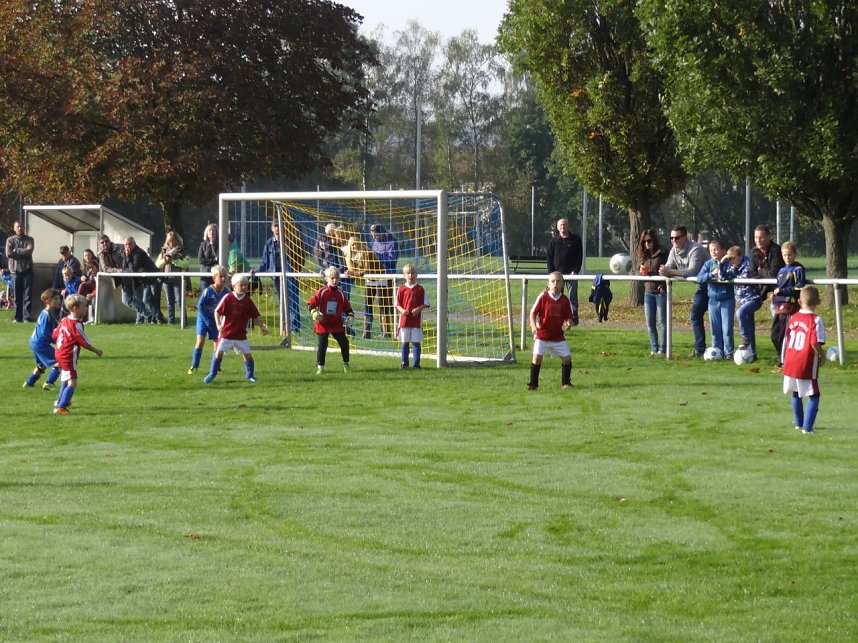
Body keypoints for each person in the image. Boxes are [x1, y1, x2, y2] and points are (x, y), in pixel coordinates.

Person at [203, 274, 268, 384]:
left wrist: (262, 326)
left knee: (247, 355)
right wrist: (218, 324)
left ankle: (250, 376)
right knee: (218, 353)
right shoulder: (228, 297)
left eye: (245, 285)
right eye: (241, 285)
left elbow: (255, 316)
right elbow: (217, 312)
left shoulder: (247, 300)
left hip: (240, 334)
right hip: (227, 333)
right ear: (234, 286)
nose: (244, 287)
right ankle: (212, 374)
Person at [659, 225, 709, 357]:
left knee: (719, 320)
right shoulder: (674, 250)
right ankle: (700, 350)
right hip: (702, 287)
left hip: (714, 286)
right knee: (695, 315)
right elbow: (668, 267)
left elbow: (693, 271)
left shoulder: (696, 249)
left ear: (685, 237)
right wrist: (663, 271)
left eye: (676, 238)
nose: (673, 241)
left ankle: (725, 351)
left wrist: (670, 271)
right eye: (671, 238)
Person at [782, 286, 825, 434]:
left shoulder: (793, 317)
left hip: (790, 359)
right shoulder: (816, 320)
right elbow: (814, 342)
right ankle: (807, 428)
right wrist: (822, 355)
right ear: (818, 302)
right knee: (814, 394)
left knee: (796, 392)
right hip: (805, 361)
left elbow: (786, 338)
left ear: (799, 301)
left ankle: (798, 424)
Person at [51, 294, 103, 414]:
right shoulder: (76, 324)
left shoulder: (64, 320)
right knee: (73, 382)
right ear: (75, 308)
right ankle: (61, 407)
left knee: (65, 378)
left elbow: (54, 334)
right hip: (68, 355)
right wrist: (97, 351)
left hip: (59, 352)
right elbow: (84, 342)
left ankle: (60, 400)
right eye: (84, 306)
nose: (86, 308)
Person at [252, 220, 301, 333]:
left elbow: (300, 258)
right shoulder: (269, 243)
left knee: (293, 301)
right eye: (275, 226)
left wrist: (296, 271)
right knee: (282, 302)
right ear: (272, 228)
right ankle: (284, 326)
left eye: (279, 225)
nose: (277, 228)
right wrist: (256, 270)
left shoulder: (291, 241)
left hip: (291, 276)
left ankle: (294, 328)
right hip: (277, 277)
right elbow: (265, 262)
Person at [527, 272, 574, 390]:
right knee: (537, 358)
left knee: (567, 359)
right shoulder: (543, 297)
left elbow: (568, 315)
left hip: (557, 336)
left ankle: (566, 383)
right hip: (542, 335)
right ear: (548, 283)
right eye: (553, 281)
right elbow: (532, 313)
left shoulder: (565, 300)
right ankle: (533, 384)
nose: (555, 284)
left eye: (558, 281)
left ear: (562, 284)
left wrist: (568, 323)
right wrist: (534, 326)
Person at [307, 266, 354, 375]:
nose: (334, 280)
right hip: (323, 323)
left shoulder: (341, 293)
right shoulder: (322, 292)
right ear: (326, 279)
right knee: (322, 345)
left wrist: (351, 316)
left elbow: (348, 308)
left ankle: (346, 364)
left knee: (344, 342)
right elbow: (311, 304)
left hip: (336, 323)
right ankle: (320, 367)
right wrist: (314, 312)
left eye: (336, 278)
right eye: (332, 278)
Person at [697, 240, 738, 359]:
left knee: (727, 329)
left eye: (716, 249)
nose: (713, 252)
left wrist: (722, 269)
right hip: (713, 301)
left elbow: (733, 274)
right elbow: (699, 278)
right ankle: (717, 352)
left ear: (723, 250)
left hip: (727, 300)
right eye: (711, 250)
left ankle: (729, 353)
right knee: (715, 329)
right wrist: (711, 275)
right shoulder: (709, 264)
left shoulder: (729, 262)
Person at [749, 224, 785, 357]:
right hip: (762, 292)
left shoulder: (776, 251)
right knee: (743, 312)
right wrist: (764, 272)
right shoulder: (754, 251)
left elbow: (774, 274)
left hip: (779, 294)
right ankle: (749, 350)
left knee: (779, 330)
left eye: (761, 237)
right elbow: (751, 273)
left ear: (769, 237)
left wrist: (760, 271)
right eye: (756, 237)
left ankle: (783, 355)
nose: (758, 240)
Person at [189, 265, 230, 374]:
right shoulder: (208, 291)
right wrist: (206, 320)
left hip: (216, 321)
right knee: (200, 342)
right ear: (214, 278)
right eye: (220, 276)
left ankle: (216, 367)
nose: (223, 279)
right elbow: (200, 306)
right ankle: (194, 365)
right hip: (203, 319)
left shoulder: (227, 293)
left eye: (225, 276)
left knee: (217, 344)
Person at [771, 241, 806, 369]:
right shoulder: (781, 270)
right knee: (774, 335)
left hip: (790, 306)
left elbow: (799, 288)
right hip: (779, 306)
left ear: (795, 254)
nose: (787, 257)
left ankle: (784, 362)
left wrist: (782, 291)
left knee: (784, 335)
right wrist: (774, 295)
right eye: (784, 255)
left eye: (789, 255)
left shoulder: (798, 269)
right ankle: (783, 357)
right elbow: (778, 287)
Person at [636, 228, 668, 356]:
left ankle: (663, 349)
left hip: (660, 292)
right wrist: (641, 272)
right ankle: (654, 350)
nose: (647, 244)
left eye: (649, 241)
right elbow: (638, 271)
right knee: (650, 323)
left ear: (654, 240)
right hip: (648, 292)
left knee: (663, 322)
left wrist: (662, 284)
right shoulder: (643, 255)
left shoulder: (663, 252)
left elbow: (668, 269)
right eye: (644, 242)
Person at [23, 288, 63, 391]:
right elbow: (45, 334)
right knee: (61, 360)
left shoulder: (47, 313)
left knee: (42, 365)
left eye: (59, 298)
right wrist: (58, 342)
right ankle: (49, 383)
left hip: (35, 342)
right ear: (47, 301)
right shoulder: (46, 315)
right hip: (40, 344)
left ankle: (29, 383)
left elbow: (56, 328)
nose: (59, 301)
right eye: (55, 299)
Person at [346, 236, 385, 338]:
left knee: (382, 306)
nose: (355, 246)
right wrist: (350, 272)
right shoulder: (351, 256)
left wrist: (354, 273)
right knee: (368, 305)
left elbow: (367, 270)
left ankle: (385, 332)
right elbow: (353, 271)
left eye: (357, 243)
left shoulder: (368, 253)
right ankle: (366, 332)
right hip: (369, 280)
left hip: (381, 279)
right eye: (352, 244)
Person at [546, 218, 583, 325]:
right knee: (556, 297)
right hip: (557, 276)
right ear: (558, 227)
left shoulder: (576, 240)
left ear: (568, 226)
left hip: (571, 275)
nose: (563, 227)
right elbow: (549, 258)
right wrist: (552, 274)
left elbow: (579, 256)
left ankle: (573, 319)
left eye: (564, 225)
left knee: (572, 297)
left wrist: (575, 270)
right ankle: (556, 318)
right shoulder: (553, 242)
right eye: (561, 225)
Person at [123, 236, 165, 324]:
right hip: (146, 281)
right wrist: (127, 258)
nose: (128, 246)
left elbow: (133, 269)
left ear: (134, 243)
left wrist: (128, 258)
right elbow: (124, 268)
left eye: (130, 244)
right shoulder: (126, 254)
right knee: (146, 299)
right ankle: (157, 318)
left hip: (154, 278)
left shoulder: (139, 253)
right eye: (126, 244)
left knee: (152, 300)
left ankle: (158, 318)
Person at [396, 263, 429, 369]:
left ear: (416, 275)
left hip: (416, 321)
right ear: (404, 275)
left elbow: (425, 303)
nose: (410, 275)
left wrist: (418, 309)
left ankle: (416, 364)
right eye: (408, 273)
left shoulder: (420, 289)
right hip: (404, 321)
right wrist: (402, 311)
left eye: (413, 273)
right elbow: (397, 304)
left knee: (416, 342)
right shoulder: (401, 289)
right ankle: (404, 363)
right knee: (404, 342)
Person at [370, 223, 399, 338]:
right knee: (381, 303)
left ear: (382, 233)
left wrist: (378, 257)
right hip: (377, 276)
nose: (374, 237)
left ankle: (396, 329)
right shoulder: (374, 244)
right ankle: (384, 331)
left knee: (390, 303)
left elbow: (392, 259)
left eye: (376, 234)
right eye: (372, 235)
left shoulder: (392, 242)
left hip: (389, 277)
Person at [729, 245, 757, 361]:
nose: (731, 260)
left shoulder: (748, 264)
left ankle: (745, 338)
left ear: (740, 256)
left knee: (740, 313)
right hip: (742, 300)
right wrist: (724, 263)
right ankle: (752, 354)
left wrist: (734, 269)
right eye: (729, 258)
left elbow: (747, 276)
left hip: (753, 298)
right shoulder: (732, 265)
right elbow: (723, 275)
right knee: (750, 325)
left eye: (733, 258)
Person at [157, 230, 190, 324]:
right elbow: (158, 264)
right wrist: (165, 259)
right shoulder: (163, 251)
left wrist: (174, 261)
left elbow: (186, 264)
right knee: (169, 301)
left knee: (180, 300)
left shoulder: (182, 251)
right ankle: (171, 321)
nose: (171, 243)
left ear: (177, 240)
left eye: (173, 240)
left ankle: (183, 321)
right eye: (170, 241)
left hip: (178, 279)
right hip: (166, 279)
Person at [5, 220, 35, 322]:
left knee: (27, 296)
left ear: (24, 228)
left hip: (27, 271)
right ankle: (17, 318)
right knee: (17, 296)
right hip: (15, 272)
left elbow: (29, 251)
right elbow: (9, 253)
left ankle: (26, 318)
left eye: (21, 226)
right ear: (14, 228)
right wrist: (23, 252)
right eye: (18, 227)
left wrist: (16, 250)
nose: (20, 228)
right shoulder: (10, 240)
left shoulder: (30, 239)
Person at [197, 223, 219, 289]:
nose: (212, 232)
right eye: (210, 230)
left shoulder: (220, 244)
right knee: (205, 293)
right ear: (206, 233)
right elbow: (200, 260)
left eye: (213, 230)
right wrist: (213, 261)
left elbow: (219, 259)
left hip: (216, 275)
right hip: (205, 275)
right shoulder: (203, 245)